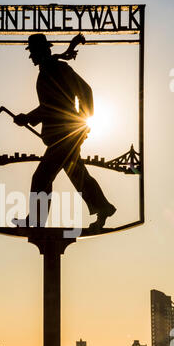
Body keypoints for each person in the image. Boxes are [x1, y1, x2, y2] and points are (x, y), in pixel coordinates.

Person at [13, 33, 116, 230]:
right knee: (77, 173)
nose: (31, 57)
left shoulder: (56, 69)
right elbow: (50, 105)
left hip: (66, 135)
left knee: (42, 177)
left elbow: (81, 93)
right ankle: (103, 207)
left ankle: (35, 221)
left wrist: (84, 120)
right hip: (64, 135)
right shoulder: (49, 70)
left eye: (33, 52)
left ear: (41, 51)